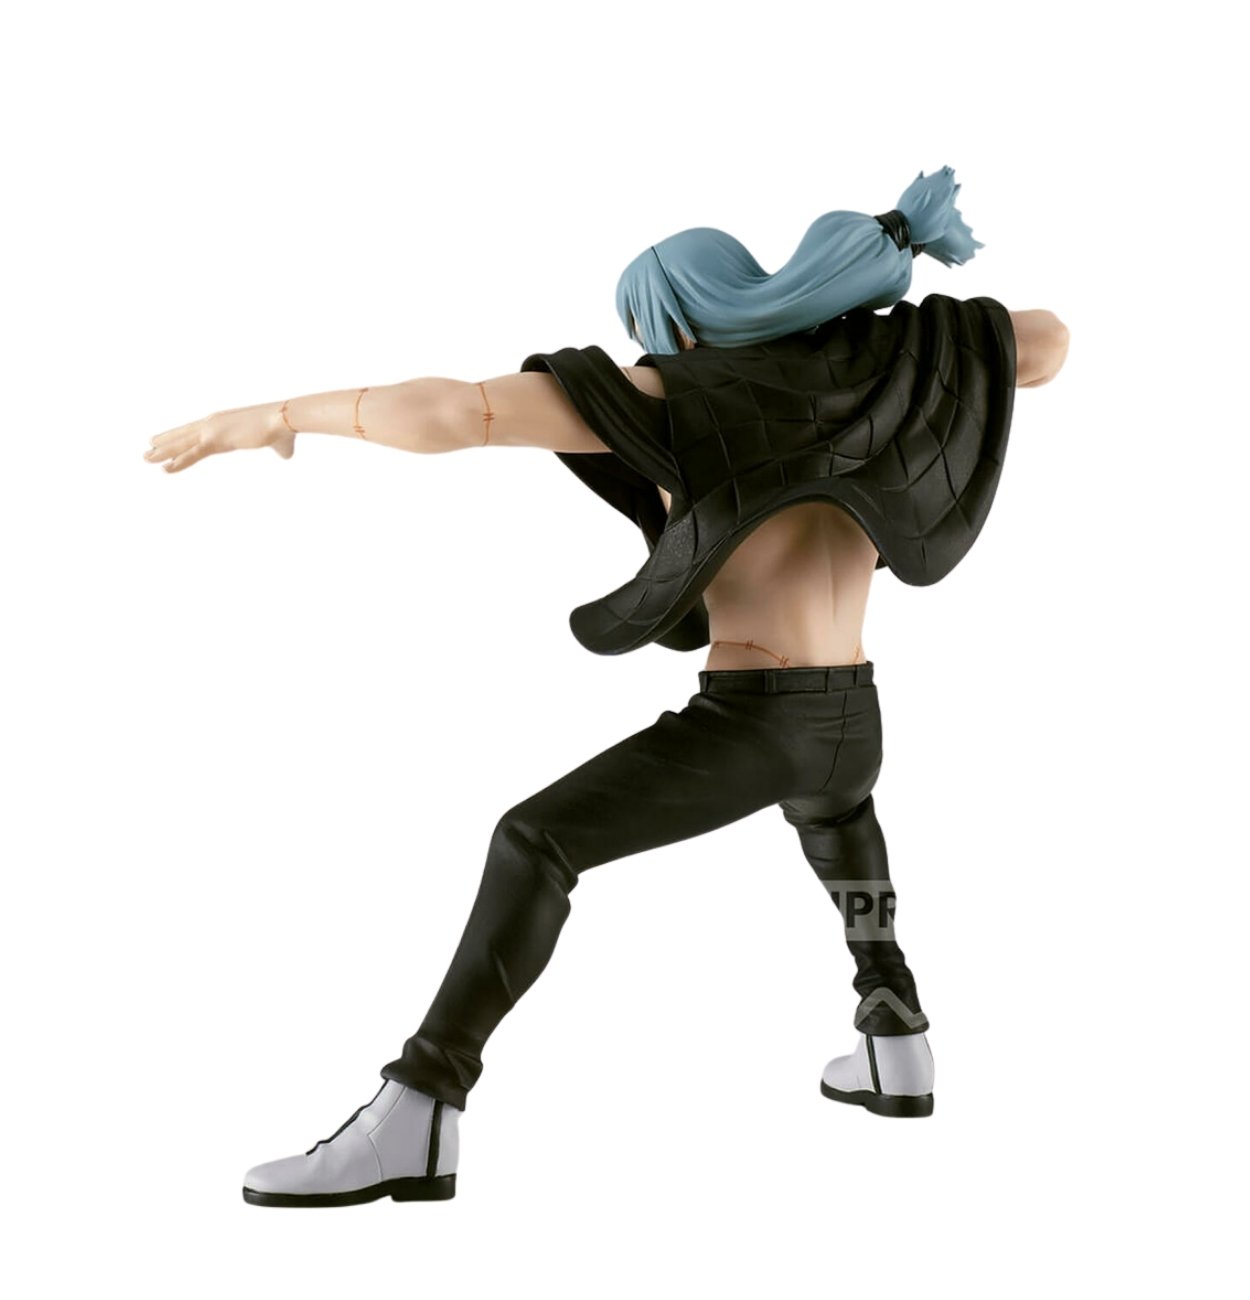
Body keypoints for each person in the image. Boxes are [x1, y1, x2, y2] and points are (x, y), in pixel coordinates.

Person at [145, 167, 1069, 1207]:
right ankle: (895, 1039)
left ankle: (419, 1108)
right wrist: (891, 331)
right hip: (853, 720)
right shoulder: (877, 382)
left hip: (757, 721)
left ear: (676, 322)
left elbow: (452, 411)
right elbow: (1044, 341)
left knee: (534, 842)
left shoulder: (674, 396)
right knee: (838, 820)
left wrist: (273, 414)